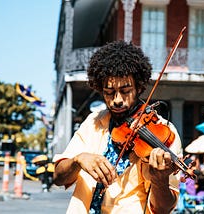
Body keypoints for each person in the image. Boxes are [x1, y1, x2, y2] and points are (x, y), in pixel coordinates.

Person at [53, 40, 186, 214]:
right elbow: (58, 177)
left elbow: (164, 208)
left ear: (139, 87)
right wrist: (78, 159)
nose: (116, 99)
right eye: (109, 92)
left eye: (125, 91)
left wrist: (159, 181)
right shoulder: (93, 122)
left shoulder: (164, 132)